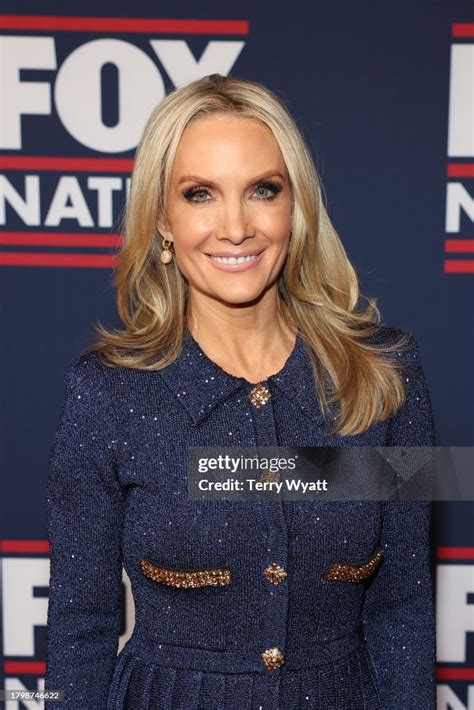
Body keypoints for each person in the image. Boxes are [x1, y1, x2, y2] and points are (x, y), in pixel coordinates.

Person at [44, 74, 436, 709]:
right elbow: (79, 623)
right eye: (200, 194)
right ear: (162, 221)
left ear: (295, 207)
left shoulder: (387, 373)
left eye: (262, 190)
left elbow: (406, 605)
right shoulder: (108, 392)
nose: (235, 227)